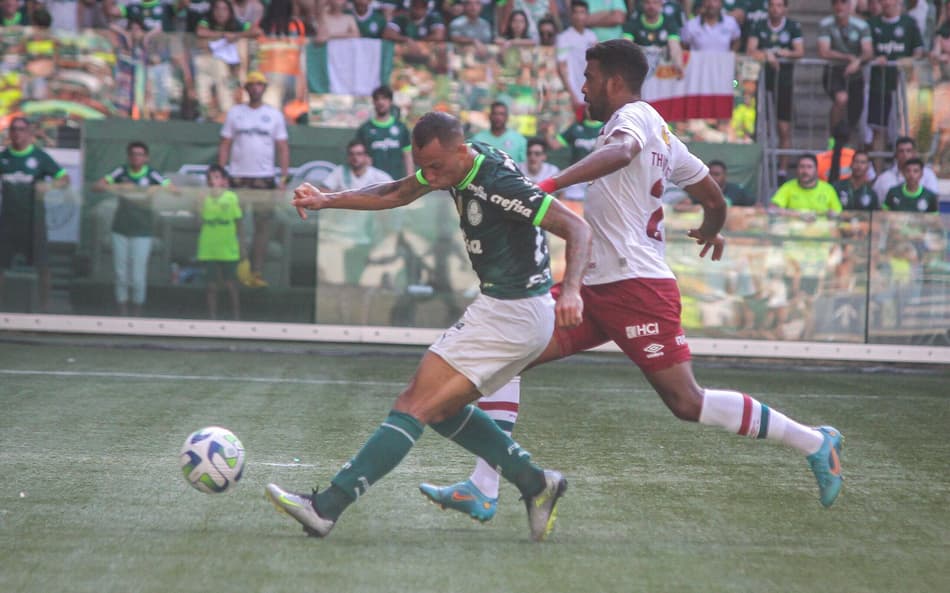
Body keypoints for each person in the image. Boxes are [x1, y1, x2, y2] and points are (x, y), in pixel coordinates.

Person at [419, 40, 844, 522]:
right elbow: (713, 195)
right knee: (510, 350)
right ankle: (483, 485)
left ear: (615, 82)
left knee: (686, 402)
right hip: (597, 284)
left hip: (637, 287)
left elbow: (623, 152)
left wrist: (551, 184)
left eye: (590, 76)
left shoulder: (634, 120)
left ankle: (815, 441)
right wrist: (712, 227)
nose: (583, 85)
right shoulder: (663, 133)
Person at [265, 111, 594, 541]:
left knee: (413, 404)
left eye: (437, 166)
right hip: (510, 310)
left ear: (460, 149)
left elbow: (578, 228)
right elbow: (397, 191)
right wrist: (327, 199)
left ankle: (326, 507)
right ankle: (537, 484)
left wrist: (571, 291)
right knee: (442, 410)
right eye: (425, 166)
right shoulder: (454, 165)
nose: (431, 176)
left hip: (513, 313)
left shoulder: (497, 182)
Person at [217, 70, 290, 288]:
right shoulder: (235, 113)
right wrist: (221, 175)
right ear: (246, 88)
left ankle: (257, 270)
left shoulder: (274, 115)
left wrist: (283, 178)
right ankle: (239, 266)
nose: (256, 88)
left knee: (262, 227)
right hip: (238, 177)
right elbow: (225, 144)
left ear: (264, 88)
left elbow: (283, 148)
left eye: (260, 84)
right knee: (236, 225)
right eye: (252, 84)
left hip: (264, 179)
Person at [92, 141, 173, 317]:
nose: (136, 158)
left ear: (146, 157)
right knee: (121, 274)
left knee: (137, 276)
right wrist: (119, 187)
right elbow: (97, 186)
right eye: (133, 154)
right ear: (128, 157)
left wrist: (155, 190)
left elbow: (174, 190)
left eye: (140, 154)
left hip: (143, 230)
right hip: (120, 228)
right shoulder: (121, 172)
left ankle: (137, 313)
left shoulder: (152, 175)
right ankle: (122, 312)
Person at [0, 116, 69, 312]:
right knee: (1, 266)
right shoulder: (4, 157)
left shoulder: (39, 157)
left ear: (30, 133)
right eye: (14, 129)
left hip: (34, 222)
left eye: (21, 129)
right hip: (8, 221)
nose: (17, 134)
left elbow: (64, 178)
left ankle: (44, 308)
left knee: (43, 266)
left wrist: (49, 185)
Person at [745, 0, 803, 182]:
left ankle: (782, 172)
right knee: (762, 127)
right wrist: (767, 55)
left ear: (785, 8)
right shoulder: (759, 25)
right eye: (772, 5)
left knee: (783, 128)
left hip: (784, 82)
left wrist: (786, 54)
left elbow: (799, 52)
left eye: (779, 5)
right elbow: (750, 50)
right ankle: (760, 167)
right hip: (761, 82)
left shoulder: (793, 26)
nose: (775, 9)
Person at [867, 0, 923, 163]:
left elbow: (918, 52)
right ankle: (877, 174)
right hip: (879, 85)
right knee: (879, 130)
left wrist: (906, 62)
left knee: (906, 130)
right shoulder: (873, 24)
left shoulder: (909, 24)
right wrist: (875, 58)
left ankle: (907, 169)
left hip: (903, 86)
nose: (885, 2)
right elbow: (865, 51)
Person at [817, 0, 873, 144]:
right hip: (834, 71)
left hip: (856, 74)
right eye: (835, 3)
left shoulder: (861, 25)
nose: (839, 6)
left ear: (850, 6)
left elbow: (868, 51)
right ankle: (833, 140)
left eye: (843, 3)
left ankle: (845, 144)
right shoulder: (825, 24)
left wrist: (858, 61)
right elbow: (824, 51)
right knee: (841, 98)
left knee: (855, 113)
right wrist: (847, 57)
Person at [196, 164, 244, 320]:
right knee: (211, 285)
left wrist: (242, 246)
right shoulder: (203, 198)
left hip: (228, 246)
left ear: (224, 180)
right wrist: (198, 204)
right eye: (209, 178)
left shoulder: (231, 197)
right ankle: (212, 317)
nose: (212, 181)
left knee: (231, 284)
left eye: (216, 177)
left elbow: (238, 223)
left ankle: (236, 316)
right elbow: (198, 222)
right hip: (209, 246)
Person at [355, 85, 413, 181]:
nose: (380, 102)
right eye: (377, 99)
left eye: (384, 98)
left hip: (396, 181)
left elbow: (407, 155)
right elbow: (358, 156)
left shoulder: (401, 127)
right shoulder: (365, 129)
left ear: (390, 101)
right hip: (372, 184)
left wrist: (410, 178)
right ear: (373, 102)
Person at [556, 1, 598, 119]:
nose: (579, 16)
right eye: (576, 12)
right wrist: (571, 93)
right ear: (570, 15)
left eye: (582, 12)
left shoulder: (592, 36)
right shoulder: (563, 38)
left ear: (587, 15)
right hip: (573, 90)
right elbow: (562, 67)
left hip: (589, 88)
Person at [769, 153, 842, 220]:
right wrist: (798, 214)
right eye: (802, 167)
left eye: (809, 167)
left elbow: (838, 212)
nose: (805, 171)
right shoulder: (788, 187)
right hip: (794, 231)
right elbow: (773, 209)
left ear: (816, 170)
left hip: (821, 231)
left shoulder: (828, 189)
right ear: (797, 169)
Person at [871, 136, 939, 206]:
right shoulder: (884, 178)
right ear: (896, 154)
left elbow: (934, 202)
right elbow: (877, 205)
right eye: (901, 151)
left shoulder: (928, 175)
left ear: (914, 153)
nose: (905, 154)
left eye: (908, 151)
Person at [320, 139, 393, 191]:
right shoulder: (340, 171)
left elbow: (394, 191)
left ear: (366, 156)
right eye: (351, 154)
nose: (355, 157)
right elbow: (323, 190)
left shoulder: (378, 175)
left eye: (359, 154)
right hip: (344, 211)